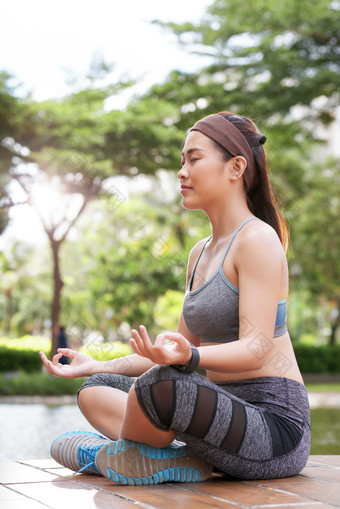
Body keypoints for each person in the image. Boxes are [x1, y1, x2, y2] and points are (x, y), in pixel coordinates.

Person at [40, 111, 310, 486]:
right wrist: (97, 364)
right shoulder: (199, 253)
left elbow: (257, 347)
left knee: (160, 385)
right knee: (96, 388)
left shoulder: (257, 240)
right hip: (214, 415)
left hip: (273, 430)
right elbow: (171, 351)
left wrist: (191, 357)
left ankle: (112, 456)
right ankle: (163, 457)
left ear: (235, 167)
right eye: (181, 161)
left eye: (194, 159)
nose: (181, 172)